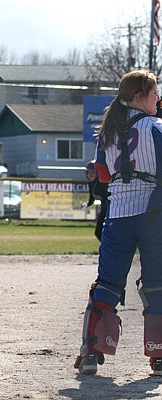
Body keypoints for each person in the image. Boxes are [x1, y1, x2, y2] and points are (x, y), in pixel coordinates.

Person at [74, 70, 162, 376]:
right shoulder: (156, 127)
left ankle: (90, 352)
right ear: (139, 97)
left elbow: (102, 173)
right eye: (154, 94)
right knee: (157, 284)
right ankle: (159, 355)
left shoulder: (109, 130)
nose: (158, 99)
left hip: (119, 214)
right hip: (153, 216)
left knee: (108, 283)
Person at [81, 160, 109, 241]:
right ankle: (107, 249)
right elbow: (92, 199)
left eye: (93, 172)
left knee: (104, 232)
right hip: (105, 209)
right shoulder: (91, 183)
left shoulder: (103, 182)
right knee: (98, 232)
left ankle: (110, 250)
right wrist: (86, 204)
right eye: (88, 172)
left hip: (110, 210)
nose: (90, 174)